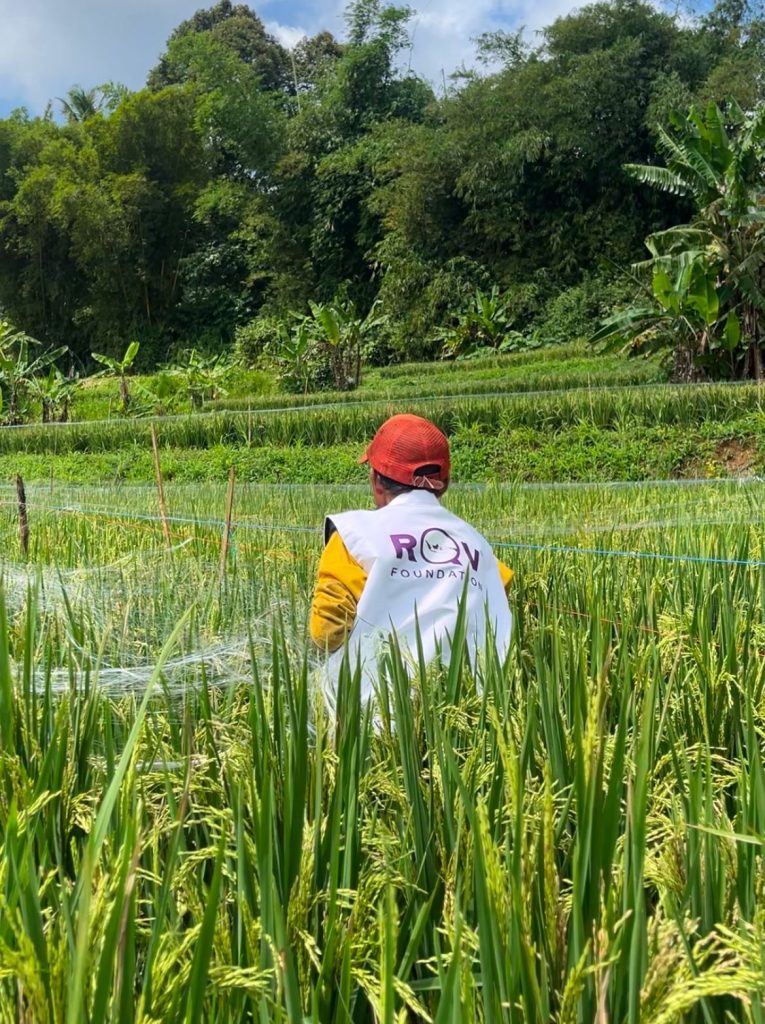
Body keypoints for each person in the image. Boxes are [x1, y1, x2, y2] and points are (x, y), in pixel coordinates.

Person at [310, 413, 513, 708]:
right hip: (465, 715)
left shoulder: (355, 536)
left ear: (377, 481)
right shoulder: (478, 546)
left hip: (370, 719)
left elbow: (326, 631)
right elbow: (499, 599)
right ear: (444, 485)